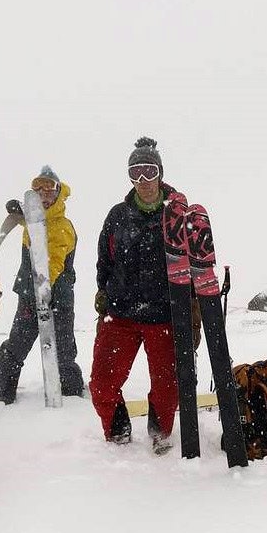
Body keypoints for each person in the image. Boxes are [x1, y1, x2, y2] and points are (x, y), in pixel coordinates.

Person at [90, 137, 184, 453]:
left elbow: (193, 260)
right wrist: (103, 294)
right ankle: (117, 433)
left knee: (167, 387)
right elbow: (104, 261)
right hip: (121, 314)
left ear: (160, 173)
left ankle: (160, 432)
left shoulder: (177, 214)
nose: (142, 180)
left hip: (163, 315)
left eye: (149, 171)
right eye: (135, 172)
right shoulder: (117, 216)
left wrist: (193, 311)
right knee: (102, 383)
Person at [0, 165, 84, 403]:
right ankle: (2, 396)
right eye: (38, 189)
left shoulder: (63, 226)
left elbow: (51, 264)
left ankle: (72, 396)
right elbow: (36, 224)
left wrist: (44, 293)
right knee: (16, 347)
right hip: (29, 298)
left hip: (58, 300)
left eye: (49, 189)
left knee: (63, 352)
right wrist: (19, 214)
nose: (44, 194)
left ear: (58, 192)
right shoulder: (34, 220)